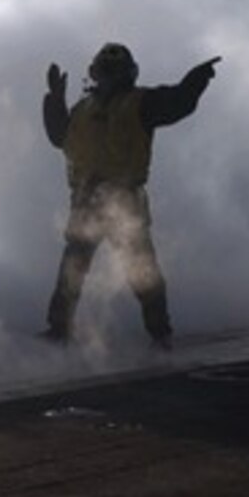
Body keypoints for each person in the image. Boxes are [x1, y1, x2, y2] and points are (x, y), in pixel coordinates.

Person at [41, 42, 220, 350]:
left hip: (124, 203)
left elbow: (177, 102)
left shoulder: (141, 103)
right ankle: (59, 331)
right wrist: (55, 100)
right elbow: (59, 136)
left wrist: (195, 81)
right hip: (87, 203)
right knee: (72, 271)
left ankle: (160, 333)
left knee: (142, 273)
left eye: (115, 71)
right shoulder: (82, 110)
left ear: (127, 74)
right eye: (105, 71)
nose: (109, 78)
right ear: (96, 73)